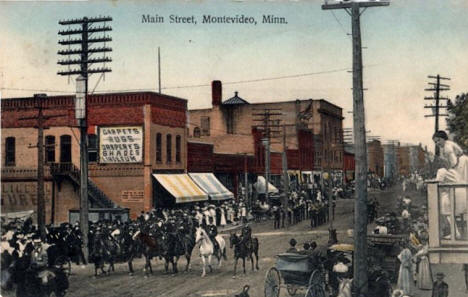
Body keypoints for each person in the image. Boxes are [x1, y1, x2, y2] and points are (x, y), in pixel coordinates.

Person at [433, 130, 468, 239]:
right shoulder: (449, 145)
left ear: (443, 138)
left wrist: (450, 170)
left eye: (438, 141)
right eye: (435, 142)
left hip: (461, 165)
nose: (437, 143)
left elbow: (454, 163)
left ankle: (455, 232)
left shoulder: (447, 148)